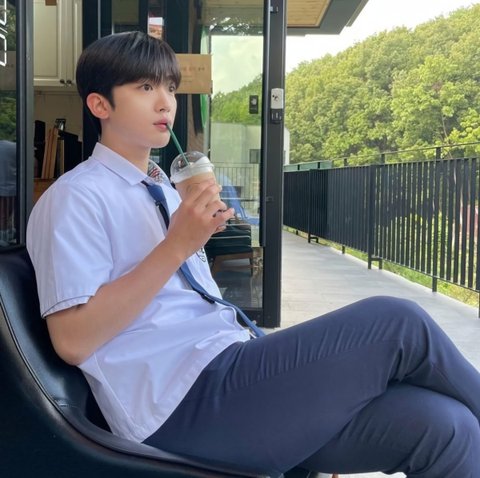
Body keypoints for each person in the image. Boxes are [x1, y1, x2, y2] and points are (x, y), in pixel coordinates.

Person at [26, 31, 480, 478]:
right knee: (397, 321)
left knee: (447, 427)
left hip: (235, 373)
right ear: (100, 105)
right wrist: (177, 245)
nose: (165, 103)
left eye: (170, 87)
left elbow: (187, 301)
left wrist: (194, 239)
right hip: (182, 404)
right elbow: (73, 340)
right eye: (145, 87)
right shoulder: (75, 198)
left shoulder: (163, 186)